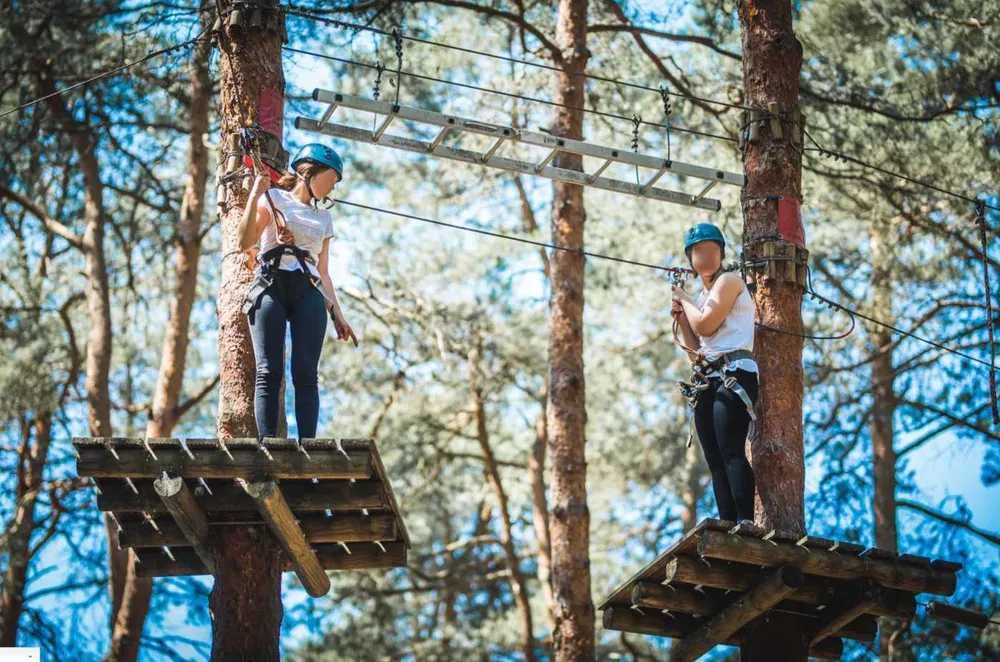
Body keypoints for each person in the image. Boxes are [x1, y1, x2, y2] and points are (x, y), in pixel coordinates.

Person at [238, 143, 357, 440]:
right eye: (332, 179)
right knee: (269, 371)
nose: (333, 187)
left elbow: (324, 273)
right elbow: (245, 241)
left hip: (309, 290)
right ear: (309, 172)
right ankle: (268, 445)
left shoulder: (324, 219)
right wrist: (255, 194)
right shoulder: (273, 198)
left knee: (306, 373)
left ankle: (308, 446)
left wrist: (338, 316)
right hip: (271, 283)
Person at [671, 222, 759, 523]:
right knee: (715, 459)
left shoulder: (730, 282)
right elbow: (696, 351)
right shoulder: (701, 299)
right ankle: (728, 522)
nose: (706, 256)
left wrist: (683, 298)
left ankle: (745, 520)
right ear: (691, 259)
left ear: (721, 253)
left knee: (730, 448)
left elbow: (707, 325)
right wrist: (682, 317)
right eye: (699, 252)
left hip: (735, 373)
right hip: (708, 378)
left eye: (711, 250)